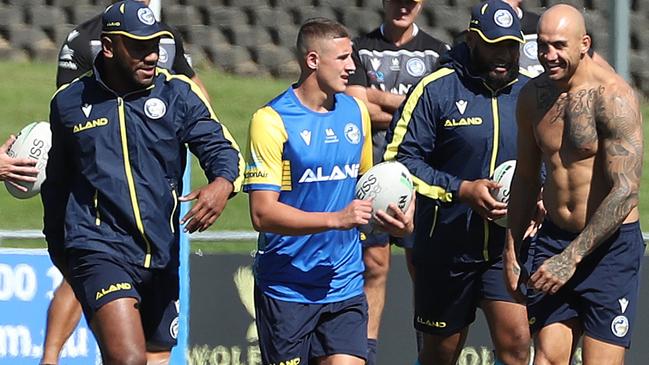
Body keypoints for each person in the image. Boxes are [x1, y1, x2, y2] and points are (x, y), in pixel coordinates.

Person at [41, 2, 243, 365]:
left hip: (162, 256)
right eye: (138, 47)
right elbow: (56, 187)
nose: (152, 56)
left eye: (155, 45)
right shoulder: (69, 103)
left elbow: (224, 150)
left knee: (153, 359)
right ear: (108, 47)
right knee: (129, 359)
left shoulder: (178, 93)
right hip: (99, 249)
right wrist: (62, 251)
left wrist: (222, 184)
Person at [243, 17, 414, 365]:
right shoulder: (271, 120)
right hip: (287, 288)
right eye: (343, 58)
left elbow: (367, 190)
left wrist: (397, 222)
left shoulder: (355, 112)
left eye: (352, 57)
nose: (352, 66)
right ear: (312, 61)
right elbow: (262, 213)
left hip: (346, 283)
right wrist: (335, 219)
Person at [383, 1, 534, 364]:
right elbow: (398, 162)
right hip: (445, 247)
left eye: (511, 46)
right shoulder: (436, 90)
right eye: (493, 45)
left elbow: (549, 157)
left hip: (506, 247)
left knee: (517, 344)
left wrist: (540, 192)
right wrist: (461, 190)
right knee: (441, 352)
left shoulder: (532, 93)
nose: (503, 55)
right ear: (471, 39)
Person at [503, 4, 644, 365]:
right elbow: (525, 176)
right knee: (547, 358)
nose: (549, 56)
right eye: (543, 46)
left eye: (559, 46)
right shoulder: (533, 98)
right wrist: (512, 247)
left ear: (584, 43)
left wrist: (572, 258)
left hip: (608, 250)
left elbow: (626, 191)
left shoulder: (613, 98)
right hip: (554, 239)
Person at [345, 1, 449, 362]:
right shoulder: (359, 48)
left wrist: (380, 103)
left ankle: (428, 351)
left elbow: (435, 113)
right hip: (370, 178)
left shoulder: (439, 52)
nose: (402, 6)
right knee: (373, 266)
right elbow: (356, 104)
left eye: (411, 1)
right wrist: (409, 104)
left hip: (418, 180)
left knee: (422, 266)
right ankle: (366, 354)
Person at [55, 0, 209, 99]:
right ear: (107, 46)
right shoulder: (82, 39)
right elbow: (66, 100)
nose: (152, 57)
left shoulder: (168, 36)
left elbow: (194, 85)